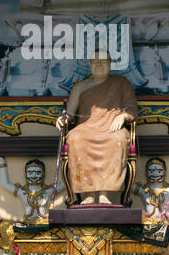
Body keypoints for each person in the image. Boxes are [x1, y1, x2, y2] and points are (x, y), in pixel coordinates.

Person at [57, 53, 138, 203]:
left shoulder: (121, 83)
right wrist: (63, 120)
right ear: (89, 64)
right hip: (86, 127)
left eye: (103, 61)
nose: (99, 65)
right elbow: (70, 114)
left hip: (111, 127)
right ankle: (87, 194)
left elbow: (132, 109)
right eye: (95, 62)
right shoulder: (80, 87)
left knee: (117, 138)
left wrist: (122, 116)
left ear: (110, 64)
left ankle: (104, 195)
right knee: (75, 138)